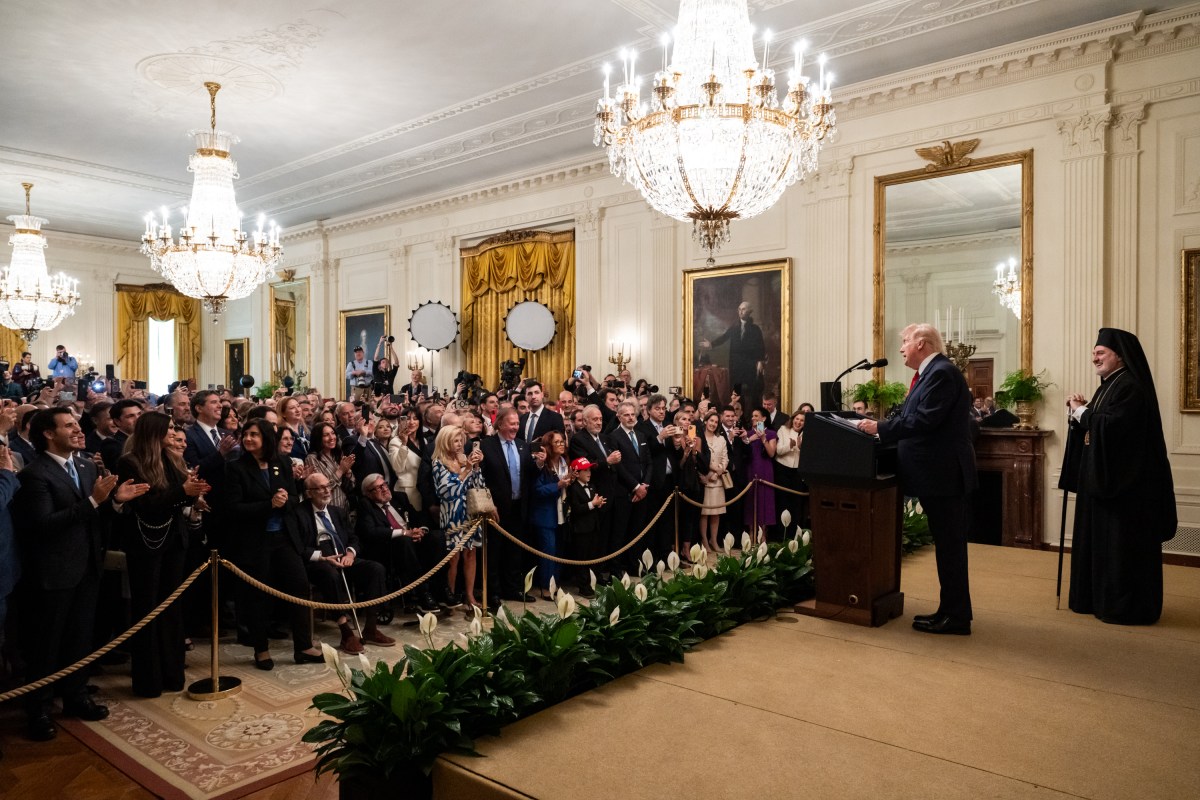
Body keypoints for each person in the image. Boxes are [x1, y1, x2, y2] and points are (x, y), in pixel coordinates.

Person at [15, 408, 148, 740]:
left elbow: (97, 516)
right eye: (69, 425)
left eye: (77, 424)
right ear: (48, 433)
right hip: (53, 571)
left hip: (88, 565)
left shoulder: (87, 466)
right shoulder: (34, 474)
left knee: (80, 637)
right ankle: (39, 709)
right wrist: (93, 501)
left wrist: (115, 502)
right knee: (46, 643)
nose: (78, 429)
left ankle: (76, 697)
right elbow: (42, 526)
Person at [858, 322, 976, 635]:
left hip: (944, 476)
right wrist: (884, 426)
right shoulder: (933, 373)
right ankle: (951, 611)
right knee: (948, 548)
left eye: (905, 342)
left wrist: (880, 429)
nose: (901, 349)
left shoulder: (940, 373)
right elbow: (914, 417)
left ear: (921, 343)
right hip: (938, 475)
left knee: (950, 549)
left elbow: (925, 420)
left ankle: (956, 616)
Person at [1064, 328, 1176, 625]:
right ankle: (1094, 598)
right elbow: (1098, 424)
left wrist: (1081, 413)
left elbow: (1113, 428)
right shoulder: (1109, 385)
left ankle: (1124, 607)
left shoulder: (1130, 387)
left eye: (1100, 353)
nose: (1094, 358)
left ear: (1120, 356)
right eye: (1094, 353)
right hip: (1106, 483)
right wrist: (1081, 413)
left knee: (1121, 551)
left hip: (1128, 490)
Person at [115, 413, 209, 697]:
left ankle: (172, 673)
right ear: (154, 431)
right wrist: (183, 491)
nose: (173, 432)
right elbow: (145, 504)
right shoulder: (129, 462)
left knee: (171, 607)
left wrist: (194, 493)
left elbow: (177, 497)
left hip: (173, 539)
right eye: (169, 428)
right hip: (146, 542)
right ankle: (149, 680)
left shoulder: (171, 458)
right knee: (148, 609)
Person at [224, 418, 323, 669]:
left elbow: (293, 497)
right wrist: (268, 504)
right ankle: (261, 649)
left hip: (284, 537)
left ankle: (303, 647)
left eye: (254, 435)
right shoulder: (236, 468)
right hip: (255, 541)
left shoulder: (281, 463)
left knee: (299, 587)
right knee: (259, 595)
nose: (247, 439)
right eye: (245, 434)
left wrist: (284, 499)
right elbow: (233, 509)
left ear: (266, 438)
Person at [289, 473, 395, 651]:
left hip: (343, 557)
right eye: (320, 488)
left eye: (327, 486)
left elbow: (354, 538)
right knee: (329, 575)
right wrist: (322, 557)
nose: (326, 490)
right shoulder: (298, 513)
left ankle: (371, 627)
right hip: (319, 561)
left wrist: (351, 554)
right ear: (309, 493)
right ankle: (346, 633)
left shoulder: (337, 512)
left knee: (376, 569)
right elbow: (297, 546)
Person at [432, 424, 486, 608]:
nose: (459, 444)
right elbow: (446, 491)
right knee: (452, 558)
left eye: (460, 440)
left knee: (471, 554)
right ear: (445, 441)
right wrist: (465, 471)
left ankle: (469, 595)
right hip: (452, 513)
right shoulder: (438, 462)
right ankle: (451, 596)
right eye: (455, 440)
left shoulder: (465, 459)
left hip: (470, 512)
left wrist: (476, 467)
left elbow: (478, 485)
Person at [699, 301, 766, 409]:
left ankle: (756, 422)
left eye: (743, 309)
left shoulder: (755, 329)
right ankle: (739, 420)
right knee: (737, 395)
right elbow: (724, 337)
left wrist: (760, 361)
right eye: (739, 309)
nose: (740, 311)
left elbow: (761, 347)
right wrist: (711, 344)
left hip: (750, 366)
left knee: (753, 395)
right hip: (736, 367)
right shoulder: (734, 327)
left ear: (750, 311)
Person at [530, 430, 572, 599]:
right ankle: (546, 585)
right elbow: (537, 490)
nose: (561, 445)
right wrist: (558, 485)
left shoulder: (564, 462)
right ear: (548, 446)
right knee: (549, 550)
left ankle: (556, 582)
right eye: (557, 442)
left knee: (560, 550)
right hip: (545, 514)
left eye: (562, 441)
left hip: (562, 513)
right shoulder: (542, 465)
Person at [305, 421, 356, 513]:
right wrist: (340, 470)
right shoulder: (312, 458)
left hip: (346, 507)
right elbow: (320, 488)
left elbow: (353, 482)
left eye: (333, 433)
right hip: (329, 509)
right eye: (326, 435)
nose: (331, 438)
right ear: (318, 438)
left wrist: (348, 472)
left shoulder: (338, 454)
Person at [700, 410, 728, 552]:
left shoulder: (721, 439)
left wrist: (718, 472)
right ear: (705, 421)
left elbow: (725, 459)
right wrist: (709, 473)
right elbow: (699, 459)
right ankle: (704, 540)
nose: (713, 424)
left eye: (716, 422)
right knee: (704, 513)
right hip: (704, 479)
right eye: (711, 421)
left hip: (717, 481)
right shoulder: (699, 438)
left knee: (715, 513)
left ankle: (714, 540)